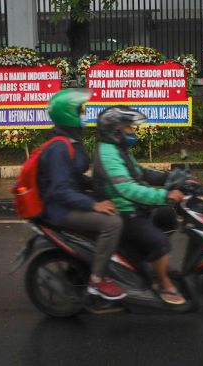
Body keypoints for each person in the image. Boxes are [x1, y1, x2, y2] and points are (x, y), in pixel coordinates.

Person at [93, 106, 186, 305]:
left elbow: (139, 172)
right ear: (115, 131)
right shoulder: (108, 153)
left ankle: (152, 263)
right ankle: (163, 283)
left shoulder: (118, 149)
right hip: (123, 211)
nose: (131, 132)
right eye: (128, 128)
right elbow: (127, 189)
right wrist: (165, 195)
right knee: (159, 242)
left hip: (133, 207)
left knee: (167, 216)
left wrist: (167, 177)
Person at [39, 89, 126, 300]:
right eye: (80, 111)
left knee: (119, 206)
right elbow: (60, 189)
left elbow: (74, 178)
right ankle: (97, 280)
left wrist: (102, 187)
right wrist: (93, 205)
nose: (83, 114)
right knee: (112, 224)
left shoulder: (70, 141)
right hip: (59, 210)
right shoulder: (60, 148)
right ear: (67, 114)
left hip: (71, 202)